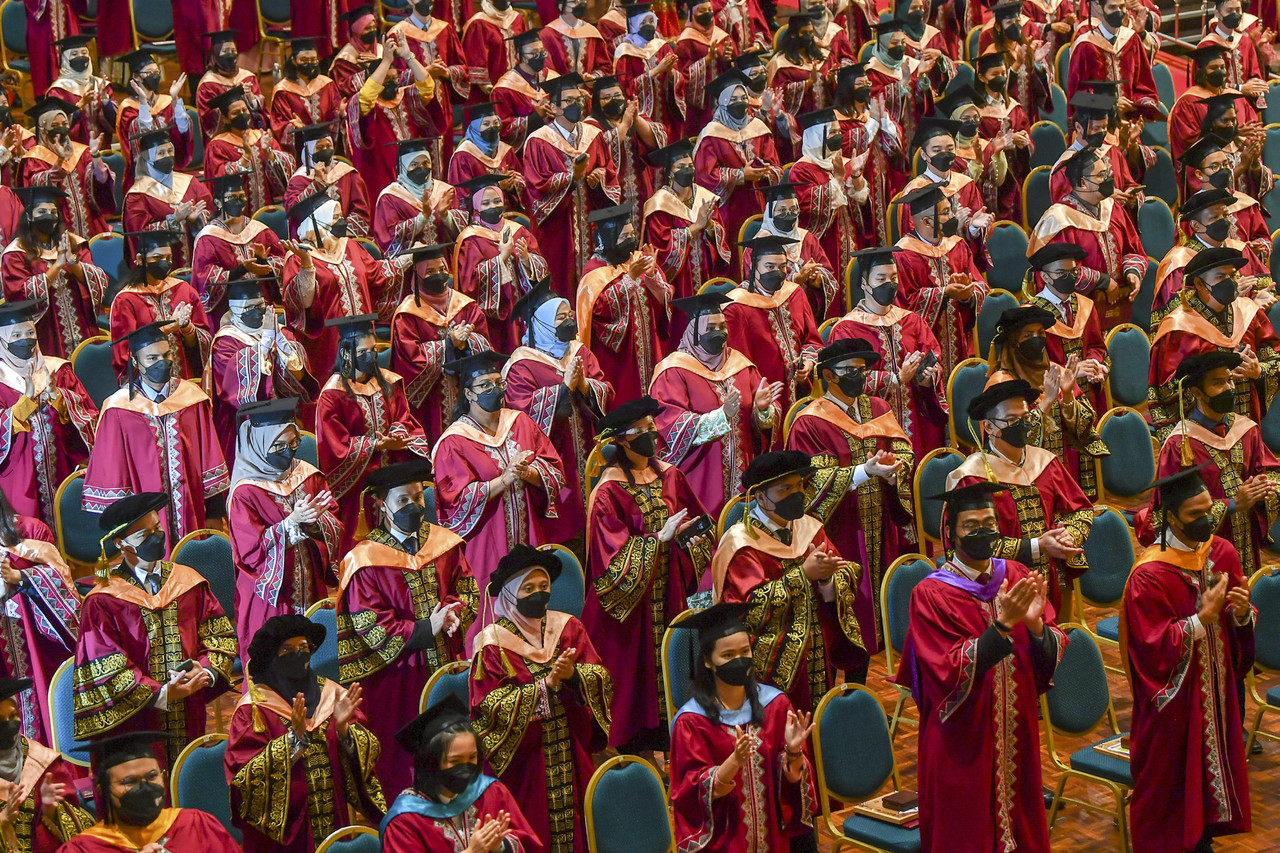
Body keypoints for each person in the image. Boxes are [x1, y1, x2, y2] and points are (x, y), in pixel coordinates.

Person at [893, 481, 1065, 853]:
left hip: (1015, 734)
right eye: (971, 527)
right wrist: (1001, 626)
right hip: (961, 741)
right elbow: (946, 668)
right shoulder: (931, 594)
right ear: (951, 534)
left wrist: (1035, 627)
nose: (983, 532)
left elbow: (1051, 646)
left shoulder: (1016, 575)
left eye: (989, 523)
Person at [1123, 466, 1254, 853]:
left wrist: (1242, 614)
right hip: (1174, 705)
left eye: (1209, 510)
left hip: (1217, 693)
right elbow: (1150, 647)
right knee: (1172, 785)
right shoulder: (1149, 575)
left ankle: (1206, 836)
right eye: (1195, 515)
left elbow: (1238, 616)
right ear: (1172, 517)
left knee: (1215, 774)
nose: (1207, 520)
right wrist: (1201, 621)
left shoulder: (1220, 552)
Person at [336, 458, 478, 795]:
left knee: (451, 747)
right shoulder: (365, 560)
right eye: (402, 500)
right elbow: (367, 622)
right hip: (396, 675)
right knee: (403, 764)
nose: (412, 506)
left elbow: (467, 588)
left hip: (445, 662)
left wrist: (456, 613)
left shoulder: (443, 543)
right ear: (382, 506)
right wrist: (426, 628)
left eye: (417, 498)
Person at [584, 396, 713, 753]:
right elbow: (609, 561)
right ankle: (635, 752)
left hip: (669, 590)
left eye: (652, 428)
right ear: (622, 440)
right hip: (627, 607)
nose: (651, 435)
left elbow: (701, 523)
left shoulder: (670, 474)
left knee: (674, 670)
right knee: (634, 681)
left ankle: (676, 744)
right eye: (640, 431)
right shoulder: (608, 491)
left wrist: (691, 538)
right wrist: (658, 541)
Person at [73, 494, 237, 767]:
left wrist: (205, 671)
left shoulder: (188, 582)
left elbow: (219, 635)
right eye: (144, 535)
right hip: (137, 722)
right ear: (121, 544)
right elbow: (105, 664)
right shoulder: (103, 600)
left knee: (185, 780)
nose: (156, 537)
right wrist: (160, 693)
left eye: (157, 528)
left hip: (188, 709)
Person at [469, 545, 612, 853]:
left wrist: (574, 676)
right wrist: (546, 685)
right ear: (509, 594)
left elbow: (601, 677)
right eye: (528, 588)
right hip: (525, 763)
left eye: (544, 586)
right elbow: (489, 706)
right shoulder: (492, 644)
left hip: (571, 751)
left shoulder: (568, 627)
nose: (539, 594)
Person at [787, 339, 912, 659]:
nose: (860, 376)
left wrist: (892, 472)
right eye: (851, 371)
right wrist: (863, 472)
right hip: (841, 528)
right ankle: (849, 680)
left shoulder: (879, 409)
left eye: (863, 370)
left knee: (882, 609)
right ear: (829, 375)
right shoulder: (811, 421)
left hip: (881, 523)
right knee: (848, 611)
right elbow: (812, 482)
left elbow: (904, 450)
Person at [712, 450, 865, 711]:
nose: (797, 494)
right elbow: (746, 610)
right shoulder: (742, 544)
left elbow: (846, 570)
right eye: (785, 489)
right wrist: (803, 575)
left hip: (817, 649)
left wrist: (827, 578)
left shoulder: (809, 528)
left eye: (798, 486)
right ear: (760, 496)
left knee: (816, 727)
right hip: (769, 660)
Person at [227, 616, 386, 853]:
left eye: (304, 648)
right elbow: (244, 776)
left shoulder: (330, 694)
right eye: (288, 650)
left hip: (333, 817)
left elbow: (367, 752)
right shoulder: (254, 710)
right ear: (272, 656)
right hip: (284, 833)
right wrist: (293, 740)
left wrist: (344, 731)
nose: (299, 655)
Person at [669, 603, 818, 853]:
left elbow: (794, 786)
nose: (738, 661)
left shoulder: (777, 706)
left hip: (776, 842)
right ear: (708, 662)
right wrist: (733, 763)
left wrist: (793, 753)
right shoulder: (692, 722)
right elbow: (687, 794)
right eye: (727, 656)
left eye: (744, 651)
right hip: (725, 845)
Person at [946, 378, 1093, 616]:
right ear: (990, 427)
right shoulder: (971, 477)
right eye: (1012, 421)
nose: (1023, 426)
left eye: (1026, 418)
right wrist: (1037, 546)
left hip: (1050, 581)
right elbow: (968, 545)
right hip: (997, 592)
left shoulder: (1045, 462)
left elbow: (1082, 509)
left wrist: (1068, 537)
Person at [82, 322, 229, 550]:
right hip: (143, 526)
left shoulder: (191, 399)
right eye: (151, 358)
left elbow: (209, 463)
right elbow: (113, 474)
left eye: (166, 354)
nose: (162, 363)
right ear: (135, 362)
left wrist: (214, 514)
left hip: (193, 515)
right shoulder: (118, 409)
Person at [432, 352, 569, 588]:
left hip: (530, 535)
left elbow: (555, 469)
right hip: (485, 544)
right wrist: (504, 480)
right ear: (468, 393)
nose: (494, 390)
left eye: (498, 383)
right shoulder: (454, 442)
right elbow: (454, 502)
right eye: (484, 385)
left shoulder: (520, 422)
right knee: (491, 611)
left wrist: (529, 473)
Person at [226, 398, 341, 663]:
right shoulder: (246, 491)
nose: (288, 453)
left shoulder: (309, 475)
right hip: (271, 598)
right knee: (273, 665)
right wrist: (289, 525)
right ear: (259, 444)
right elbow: (249, 552)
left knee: (312, 658)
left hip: (310, 584)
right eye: (278, 446)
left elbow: (334, 520)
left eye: (293, 444)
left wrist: (315, 523)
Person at [1149, 351, 1280, 578]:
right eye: (1218, 383)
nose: (1229, 388)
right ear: (1197, 392)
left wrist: (1266, 491)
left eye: (1230, 379)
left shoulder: (1247, 431)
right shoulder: (1180, 445)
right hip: (1202, 554)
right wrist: (1233, 504)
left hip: (1247, 546)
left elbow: (1271, 474)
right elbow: (1166, 515)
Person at [650, 293, 781, 518]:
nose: (718, 332)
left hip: (743, 476)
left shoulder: (740, 364)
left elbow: (766, 415)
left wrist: (762, 410)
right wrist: (722, 416)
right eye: (710, 327)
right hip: (699, 477)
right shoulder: (673, 371)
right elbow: (670, 426)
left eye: (722, 326)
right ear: (693, 331)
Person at [315, 314, 433, 554]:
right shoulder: (332, 394)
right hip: (358, 486)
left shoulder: (389, 382)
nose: (371, 357)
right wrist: (374, 446)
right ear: (347, 355)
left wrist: (398, 436)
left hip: (394, 475)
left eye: (373, 351)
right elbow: (333, 446)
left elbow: (404, 417)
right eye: (363, 353)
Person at [380, 695, 541, 853]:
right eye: (455, 761)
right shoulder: (405, 821)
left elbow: (526, 842)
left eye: (472, 757)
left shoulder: (491, 793)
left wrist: (501, 847)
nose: (465, 768)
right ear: (430, 763)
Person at [829, 246, 948, 459]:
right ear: (865, 284)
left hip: (917, 420)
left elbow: (934, 358)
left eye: (893, 277)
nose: (889, 284)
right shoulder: (846, 329)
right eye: (881, 279)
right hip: (872, 427)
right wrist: (895, 379)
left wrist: (927, 378)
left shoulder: (912, 321)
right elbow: (844, 379)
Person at [504, 281, 613, 510]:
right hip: (553, 449)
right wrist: (563, 389)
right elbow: (521, 410)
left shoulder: (578, 350)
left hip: (586, 442)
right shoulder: (522, 363)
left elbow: (606, 389)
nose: (568, 322)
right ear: (541, 324)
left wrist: (584, 384)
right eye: (560, 318)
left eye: (568, 315)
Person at [1148, 246, 1280, 433]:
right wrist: (1210, 375)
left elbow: (1275, 360)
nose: (1229, 282)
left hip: (1247, 427)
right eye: (1220, 277)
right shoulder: (1179, 328)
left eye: (1232, 276)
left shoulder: (1250, 313)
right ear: (1200, 284)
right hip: (1200, 433)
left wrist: (1259, 371)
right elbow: (1167, 392)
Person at [987, 305, 1109, 500]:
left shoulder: (1055, 372)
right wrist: (1046, 403)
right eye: (1028, 335)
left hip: (1064, 477)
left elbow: (1087, 426)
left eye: (1040, 333)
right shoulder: (1001, 384)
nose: (1036, 339)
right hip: (1022, 487)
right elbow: (1009, 442)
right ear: (1014, 343)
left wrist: (1068, 394)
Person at [281, 191, 411, 373]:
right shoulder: (297, 258)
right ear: (319, 221)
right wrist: (307, 264)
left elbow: (376, 274)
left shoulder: (349, 245)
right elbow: (303, 303)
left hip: (363, 336)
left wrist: (407, 259)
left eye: (341, 216)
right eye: (335, 217)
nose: (342, 221)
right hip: (327, 342)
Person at [55, 731, 242, 853]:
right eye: (129, 782)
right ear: (102, 789)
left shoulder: (197, 825)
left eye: (152, 776)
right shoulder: (84, 849)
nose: (144, 788)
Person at [0, 299, 97, 532]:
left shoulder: (56, 370)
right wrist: (24, 405)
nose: (26, 340)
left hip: (62, 468)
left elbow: (89, 415)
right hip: (19, 479)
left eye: (30, 332)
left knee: (69, 531)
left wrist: (59, 397)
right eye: (16, 335)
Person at [522, 74, 622, 296]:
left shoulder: (594, 136)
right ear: (555, 108)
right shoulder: (538, 141)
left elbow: (611, 173)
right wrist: (571, 176)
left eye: (578, 99)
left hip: (590, 224)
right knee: (560, 283)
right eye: (568, 101)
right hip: (557, 229)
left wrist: (599, 177)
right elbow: (536, 187)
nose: (576, 104)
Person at [1028, 147, 1147, 333]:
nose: (1109, 179)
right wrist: (1102, 280)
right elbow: (1057, 272)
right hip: (1081, 316)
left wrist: (1132, 271)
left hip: (1119, 308)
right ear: (1083, 183)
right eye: (1101, 175)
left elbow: (1133, 249)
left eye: (1107, 172)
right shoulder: (1059, 220)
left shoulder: (1113, 208)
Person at [0, 488, 81, 745]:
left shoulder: (30, 531)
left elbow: (61, 579)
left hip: (34, 639)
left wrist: (20, 578)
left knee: (41, 712)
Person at [392, 242, 494, 443]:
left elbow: (485, 344)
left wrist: (468, 341)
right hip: (431, 399)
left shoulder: (465, 305)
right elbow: (409, 358)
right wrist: (448, 344)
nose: (438, 275)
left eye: (442, 269)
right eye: (430, 271)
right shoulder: (407, 314)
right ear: (418, 276)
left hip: (465, 390)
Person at [206, 278, 312, 463]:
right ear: (236, 309)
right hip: (243, 422)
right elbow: (232, 387)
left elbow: (300, 376)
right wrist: (263, 346)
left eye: (260, 305)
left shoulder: (277, 330)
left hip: (282, 416)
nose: (257, 312)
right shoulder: (225, 342)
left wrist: (280, 342)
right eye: (250, 307)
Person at [576, 204, 673, 405]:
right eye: (623, 237)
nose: (629, 241)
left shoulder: (638, 259)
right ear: (609, 239)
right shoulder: (594, 272)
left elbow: (663, 298)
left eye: (631, 235)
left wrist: (653, 274)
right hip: (619, 359)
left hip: (649, 345)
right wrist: (630, 279)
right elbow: (600, 313)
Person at [725, 235, 822, 431]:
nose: (777, 272)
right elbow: (738, 364)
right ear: (753, 267)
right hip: (765, 396)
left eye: (782, 267)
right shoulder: (736, 307)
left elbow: (812, 339)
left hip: (801, 390)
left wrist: (809, 363)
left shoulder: (795, 293)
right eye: (769, 267)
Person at [692, 71, 783, 278]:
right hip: (729, 209)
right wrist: (741, 175)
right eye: (733, 99)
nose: (740, 103)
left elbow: (776, 167)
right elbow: (704, 176)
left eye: (743, 98)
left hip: (760, 203)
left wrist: (764, 172)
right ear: (722, 103)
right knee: (736, 260)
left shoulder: (758, 128)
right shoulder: (711, 134)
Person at [1, 186, 108, 361]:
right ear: (29, 215)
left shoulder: (72, 243)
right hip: (46, 330)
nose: (48, 216)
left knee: (87, 366)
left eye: (53, 211)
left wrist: (72, 262)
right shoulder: (16, 252)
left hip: (81, 324)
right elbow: (18, 293)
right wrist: (57, 265)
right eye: (41, 211)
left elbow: (98, 281)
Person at [894, 183, 989, 381]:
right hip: (923, 354)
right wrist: (943, 293)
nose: (953, 217)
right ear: (927, 222)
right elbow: (901, 309)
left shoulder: (957, 246)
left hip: (961, 342)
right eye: (946, 212)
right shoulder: (902, 256)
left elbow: (981, 286)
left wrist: (968, 293)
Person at [452, 174, 550, 353]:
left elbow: (542, 267)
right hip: (495, 320)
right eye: (486, 203)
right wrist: (501, 259)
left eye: (497, 201)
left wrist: (527, 259)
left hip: (522, 310)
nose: (493, 206)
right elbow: (468, 283)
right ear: (475, 207)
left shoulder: (519, 231)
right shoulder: (470, 239)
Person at [1150, 187, 1273, 325]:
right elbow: (1178, 314)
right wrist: (1231, 295)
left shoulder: (1241, 249)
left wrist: (1258, 299)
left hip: (1246, 330)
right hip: (1201, 339)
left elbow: (1265, 285)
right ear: (1196, 226)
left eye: (1225, 215)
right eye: (1214, 217)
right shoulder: (1179, 262)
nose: (1223, 221)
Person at [0, 678, 94, 853]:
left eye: (13, 716)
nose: (9, 725)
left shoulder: (43, 761)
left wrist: (49, 811)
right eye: (0, 720)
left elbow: (72, 830)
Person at [108, 229, 213, 381]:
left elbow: (201, 343)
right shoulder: (126, 300)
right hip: (148, 389)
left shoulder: (184, 289)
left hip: (185, 381)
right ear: (140, 259)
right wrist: (168, 328)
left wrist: (186, 327)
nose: (164, 263)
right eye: (157, 257)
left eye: (168, 257)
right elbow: (124, 354)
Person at [1025, 244, 1109, 424]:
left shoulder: (1086, 305)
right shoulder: (1029, 315)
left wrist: (1095, 365)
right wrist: (1069, 373)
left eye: (1073, 272)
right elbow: (1031, 364)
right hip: (1054, 398)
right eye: (1062, 273)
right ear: (1045, 276)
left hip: (1087, 393)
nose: (1070, 277)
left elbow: (1096, 345)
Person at [346, 33, 438, 197]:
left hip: (413, 169)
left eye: (394, 77)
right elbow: (366, 96)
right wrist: (386, 60)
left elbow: (428, 87)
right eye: (385, 79)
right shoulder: (363, 105)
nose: (392, 82)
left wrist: (408, 57)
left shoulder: (407, 96)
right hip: (380, 171)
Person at [790, 108, 870, 294]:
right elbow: (806, 206)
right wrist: (838, 181)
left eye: (838, 132)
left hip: (850, 237)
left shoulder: (844, 162)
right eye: (832, 132)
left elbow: (861, 203)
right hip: (823, 242)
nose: (838, 136)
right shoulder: (801, 170)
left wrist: (856, 175)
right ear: (818, 136)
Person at [190, 173, 287, 320]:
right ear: (218, 202)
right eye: (232, 197)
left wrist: (263, 262)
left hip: (262, 304)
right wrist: (241, 269)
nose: (239, 201)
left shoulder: (260, 230)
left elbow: (282, 260)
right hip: (227, 310)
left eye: (242, 196)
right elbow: (205, 277)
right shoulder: (209, 237)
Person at [388, 2, 471, 172]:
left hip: (442, 106)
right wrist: (426, 72)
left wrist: (445, 73)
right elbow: (392, 77)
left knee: (444, 157)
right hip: (414, 108)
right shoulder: (397, 34)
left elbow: (462, 68)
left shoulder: (445, 29)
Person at [20, 97, 115, 242]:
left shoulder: (81, 151)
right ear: (44, 129)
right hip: (58, 225)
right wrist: (59, 160)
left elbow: (100, 180)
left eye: (64, 123)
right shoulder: (36, 156)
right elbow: (35, 188)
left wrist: (96, 156)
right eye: (55, 124)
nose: (61, 128)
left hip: (90, 221)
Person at [742, 181, 837, 324]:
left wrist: (817, 278)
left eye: (793, 209)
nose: (788, 215)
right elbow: (753, 285)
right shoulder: (757, 246)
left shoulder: (807, 239)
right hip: (772, 317)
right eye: (781, 210)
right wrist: (795, 279)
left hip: (807, 313)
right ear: (770, 213)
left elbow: (828, 272)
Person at [122, 128, 213, 271]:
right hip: (164, 266)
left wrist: (197, 220)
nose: (168, 156)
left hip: (196, 260)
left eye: (170, 151)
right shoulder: (138, 195)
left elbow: (211, 211)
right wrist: (173, 220)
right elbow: (139, 234)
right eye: (161, 153)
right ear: (148, 158)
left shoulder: (191, 182)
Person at [1066, 0, 1162, 120]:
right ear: (1100, 9)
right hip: (1095, 126)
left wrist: (1144, 105)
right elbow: (1077, 96)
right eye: (1112, 7)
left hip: (1128, 126)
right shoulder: (1085, 44)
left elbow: (1144, 87)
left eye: (1122, 6)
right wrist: (1111, 104)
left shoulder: (1132, 40)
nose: (1118, 12)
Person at [204, 87, 296, 211]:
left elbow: (286, 174)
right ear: (226, 119)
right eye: (236, 113)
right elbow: (219, 180)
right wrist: (246, 157)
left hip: (266, 209)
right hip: (237, 213)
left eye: (244, 110)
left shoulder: (262, 137)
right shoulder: (218, 146)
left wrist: (269, 153)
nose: (242, 114)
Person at [114, 49, 194, 193]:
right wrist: (143, 103)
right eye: (149, 73)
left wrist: (176, 100)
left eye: (157, 72)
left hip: (169, 171)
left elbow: (182, 132)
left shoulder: (166, 101)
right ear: (136, 76)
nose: (155, 76)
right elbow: (139, 138)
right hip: (144, 179)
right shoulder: (128, 109)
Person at [373, 138, 466, 259]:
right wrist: (422, 219)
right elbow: (387, 238)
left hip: (444, 264)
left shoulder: (445, 192)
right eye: (414, 164)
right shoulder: (390, 197)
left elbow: (462, 237)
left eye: (426, 163)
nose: (421, 168)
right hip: (410, 268)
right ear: (403, 167)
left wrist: (445, 216)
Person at [284, 121, 374, 241]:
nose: (325, 151)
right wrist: (317, 184)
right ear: (309, 151)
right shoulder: (299, 180)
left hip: (346, 238)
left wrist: (344, 231)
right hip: (313, 241)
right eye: (320, 148)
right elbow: (292, 211)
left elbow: (361, 209)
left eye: (328, 146)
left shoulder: (347, 173)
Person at [613, 3, 682, 131]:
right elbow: (624, 88)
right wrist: (655, 71)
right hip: (641, 119)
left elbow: (679, 80)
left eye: (651, 20)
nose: (648, 25)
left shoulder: (662, 46)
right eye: (643, 22)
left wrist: (671, 73)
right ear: (633, 25)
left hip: (665, 114)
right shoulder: (625, 52)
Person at [268, 39, 344, 147]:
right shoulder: (283, 90)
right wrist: (295, 127)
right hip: (301, 145)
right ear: (294, 61)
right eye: (304, 60)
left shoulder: (327, 84)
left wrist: (340, 113)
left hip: (326, 142)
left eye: (313, 60)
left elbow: (335, 110)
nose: (309, 64)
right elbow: (280, 123)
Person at [491, 32, 558, 153]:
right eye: (534, 54)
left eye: (542, 52)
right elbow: (502, 130)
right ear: (519, 56)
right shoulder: (504, 89)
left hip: (554, 147)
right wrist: (535, 117)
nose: (540, 57)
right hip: (525, 154)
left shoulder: (552, 77)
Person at [45, 35, 117, 147]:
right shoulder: (58, 90)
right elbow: (56, 129)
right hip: (73, 153)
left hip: (102, 149)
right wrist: (80, 105)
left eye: (84, 53)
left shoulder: (101, 85)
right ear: (65, 59)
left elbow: (115, 123)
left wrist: (105, 100)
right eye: (74, 54)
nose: (80, 57)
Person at [195, 30, 265, 139]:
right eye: (225, 51)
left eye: (233, 50)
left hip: (251, 134)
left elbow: (261, 111)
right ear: (216, 55)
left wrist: (250, 99)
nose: (230, 55)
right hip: (224, 138)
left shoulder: (247, 77)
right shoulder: (208, 85)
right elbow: (207, 119)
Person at [448, 104, 527, 201]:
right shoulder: (463, 156)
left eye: (495, 123)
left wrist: (512, 184)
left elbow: (524, 181)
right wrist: (497, 186)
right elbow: (461, 195)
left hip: (509, 211)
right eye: (486, 124)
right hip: (479, 213)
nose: (492, 127)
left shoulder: (505, 151)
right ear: (475, 127)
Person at [461, 1, 529, 100]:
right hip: (489, 95)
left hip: (519, 90)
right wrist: (491, 90)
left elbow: (526, 51)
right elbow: (475, 61)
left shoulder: (517, 19)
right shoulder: (478, 23)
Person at [541, 0, 614, 78]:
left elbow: (605, 67)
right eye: (574, 1)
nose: (580, 4)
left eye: (582, 1)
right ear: (561, 6)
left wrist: (593, 77)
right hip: (560, 88)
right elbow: (547, 70)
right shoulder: (548, 35)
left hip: (589, 88)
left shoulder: (591, 32)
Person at [331, 6, 384, 98]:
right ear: (357, 31)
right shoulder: (345, 58)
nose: (372, 31)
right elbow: (344, 87)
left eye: (374, 28)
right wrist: (368, 72)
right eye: (367, 29)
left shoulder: (381, 49)